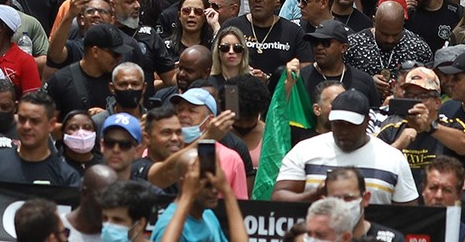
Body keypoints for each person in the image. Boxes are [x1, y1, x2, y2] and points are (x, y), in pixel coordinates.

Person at [272, 89, 418, 203]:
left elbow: (407, 214)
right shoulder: (304, 151)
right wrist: (313, 196)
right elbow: (278, 197)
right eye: (338, 124)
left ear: (367, 121)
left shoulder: (392, 159)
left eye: (351, 125)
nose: (344, 131)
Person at [0, 89, 82, 185]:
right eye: (22, 119)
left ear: (51, 124)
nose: (27, 126)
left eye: (35, 121)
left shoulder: (66, 176)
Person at [149, 150, 249, 242]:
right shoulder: (168, 226)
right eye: (206, 185)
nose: (214, 191)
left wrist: (226, 190)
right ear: (185, 183)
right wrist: (188, 195)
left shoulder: (208, 216)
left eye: (215, 183)